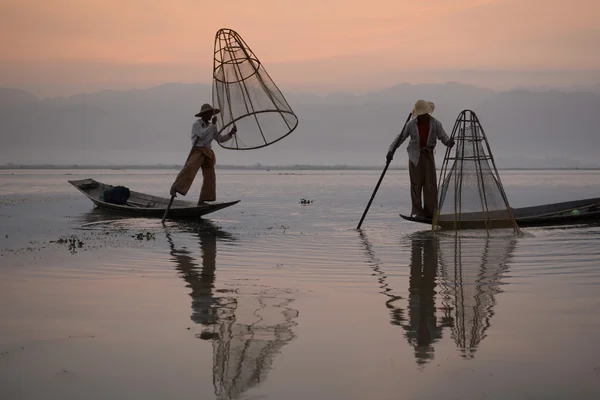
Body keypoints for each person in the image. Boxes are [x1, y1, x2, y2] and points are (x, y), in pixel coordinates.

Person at [386, 100, 454, 220]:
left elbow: (443, 136)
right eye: (421, 115)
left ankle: (430, 212)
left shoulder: (435, 123)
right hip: (415, 156)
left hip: (428, 156)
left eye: (425, 114)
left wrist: (449, 142)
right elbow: (401, 137)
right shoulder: (411, 124)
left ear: (428, 113)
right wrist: (391, 151)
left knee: (430, 185)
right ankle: (417, 211)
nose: (423, 116)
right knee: (416, 184)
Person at [170, 103, 237, 204]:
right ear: (203, 115)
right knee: (189, 169)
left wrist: (230, 133)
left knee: (210, 176)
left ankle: (203, 199)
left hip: (208, 152)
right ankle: (175, 188)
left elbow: (219, 139)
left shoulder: (212, 126)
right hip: (198, 150)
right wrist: (213, 125)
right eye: (209, 113)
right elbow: (201, 134)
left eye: (211, 113)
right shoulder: (197, 124)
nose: (210, 116)